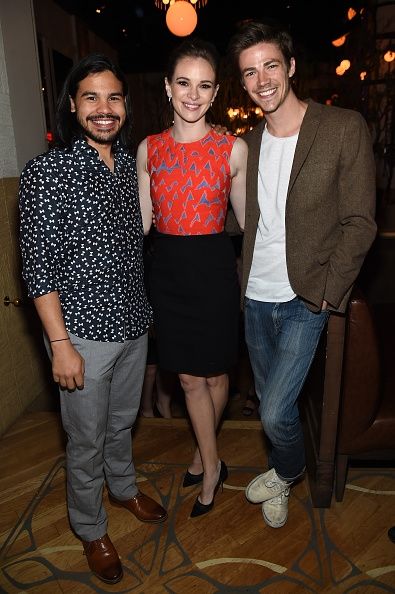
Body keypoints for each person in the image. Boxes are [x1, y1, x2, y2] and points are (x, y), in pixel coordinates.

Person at [18, 54, 167, 584]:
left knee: (122, 424)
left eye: (114, 97)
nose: (104, 109)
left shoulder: (128, 166)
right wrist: (59, 344)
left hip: (132, 325)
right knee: (85, 441)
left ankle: (123, 488)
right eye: (91, 97)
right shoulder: (47, 172)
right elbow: (38, 267)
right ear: (72, 105)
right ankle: (88, 526)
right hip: (82, 336)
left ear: (125, 105)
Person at [227, 21, 377, 528]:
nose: (261, 79)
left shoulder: (342, 127)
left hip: (305, 297)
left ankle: (287, 472)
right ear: (243, 83)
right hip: (255, 296)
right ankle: (281, 470)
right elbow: (238, 219)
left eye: (270, 65)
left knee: (272, 413)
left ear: (290, 67)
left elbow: (360, 222)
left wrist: (329, 295)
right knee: (275, 407)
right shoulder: (245, 144)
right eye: (250, 72)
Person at [137, 38, 247, 517]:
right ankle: (214, 462)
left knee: (218, 372)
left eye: (204, 85)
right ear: (167, 87)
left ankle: (205, 452)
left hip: (215, 267)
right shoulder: (149, 149)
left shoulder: (233, 148)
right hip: (170, 271)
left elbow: (250, 226)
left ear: (216, 91)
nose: (193, 94)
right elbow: (138, 227)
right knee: (187, 378)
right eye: (184, 83)